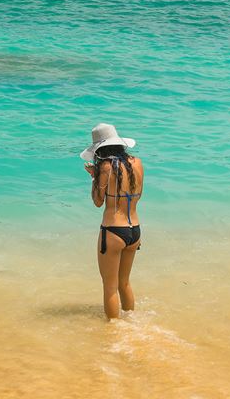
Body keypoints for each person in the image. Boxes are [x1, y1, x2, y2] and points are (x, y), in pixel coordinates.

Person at [81, 123, 144, 320]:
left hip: (114, 231)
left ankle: (113, 331)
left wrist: (94, 178)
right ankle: (131, 323)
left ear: (99, 149)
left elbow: (98, 202)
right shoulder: (138, 163)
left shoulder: (105, 167)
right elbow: (137, 193)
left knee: (109, 287)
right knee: (124, 283)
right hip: (135, 230)